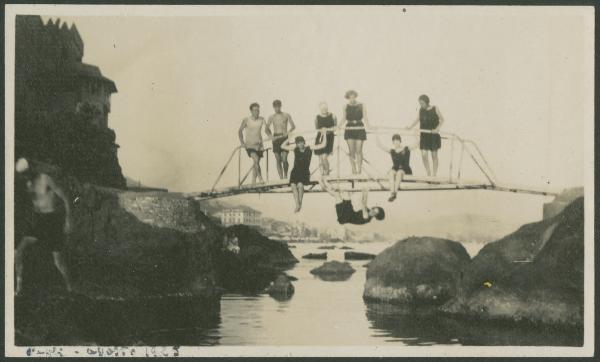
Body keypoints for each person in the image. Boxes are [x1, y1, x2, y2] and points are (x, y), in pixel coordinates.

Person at [14, 158, 74, 295]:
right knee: (20, 250)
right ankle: (19, 287)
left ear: (31, 170)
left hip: (52, 221)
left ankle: (71, 289)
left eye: (26, 173)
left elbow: (66, 197)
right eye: (22, 174)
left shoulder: (46, 179)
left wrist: (69, 218)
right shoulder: (27, 183)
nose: (25, 176)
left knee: (58, 260)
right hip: (39, 221)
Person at [281, 133, 326, 212]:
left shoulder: (309, 148)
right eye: (298, 143)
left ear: (304, 142)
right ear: (297, 144)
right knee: (293, 185)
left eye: (301, 142)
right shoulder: (295, 149)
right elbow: (282, 146)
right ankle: (297, 204)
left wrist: (324, 134)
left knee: (300, 185)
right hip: (295, 171)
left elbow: (323, 145)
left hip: (304, 172)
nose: (300, 144)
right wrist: (289, 138)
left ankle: (299, 204)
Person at [319, 178, 385, 225]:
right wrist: (362, 192)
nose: (372, 210)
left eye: (374, 212)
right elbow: (361, 203)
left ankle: (324, 185)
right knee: (345, 193)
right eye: (374, 209)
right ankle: (326, 184)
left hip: (344, 217)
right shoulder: (368, 211)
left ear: (375, 216)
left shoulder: (366, 217)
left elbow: (363, 203)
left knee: (337, 195)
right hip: (349, 211)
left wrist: (366, 192)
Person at [408, 94, 445, 177]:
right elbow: (417, 120)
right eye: (420, 103)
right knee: (424, 155)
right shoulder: (421, 110)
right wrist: (410, 127)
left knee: (434, 156)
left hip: (433, 135)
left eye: (422, 103)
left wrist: (437, 129)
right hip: (424, 135)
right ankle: (428, 173)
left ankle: (434, 175)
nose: (421, 105)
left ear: (427, 102)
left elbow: (442, 119)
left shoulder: (435, 108)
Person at [375, 133, 418, 202]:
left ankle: (395, 192)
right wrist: (376, 134)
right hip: (395, 168)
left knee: (399, 173)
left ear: (400, 141)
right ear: (393, 142)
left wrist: (415, 134)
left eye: (397, 141)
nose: (396, 143)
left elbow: (416, 145)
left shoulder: (406, 149)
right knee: (391, 173)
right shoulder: (392, 151)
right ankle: (392, 193)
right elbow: (380, 145)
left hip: (405, 168)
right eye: (394, 142)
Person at [340, 90, 371, 175]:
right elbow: (344, 118)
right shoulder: (345, 106)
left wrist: (369, 126)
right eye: (350, 97)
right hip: (350, 127)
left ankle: (359, 170)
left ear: (355, 97)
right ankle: (354, 170)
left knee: (359, 150)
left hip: (359, 127)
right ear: (348, 98)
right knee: (351, 151)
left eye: (353, 97)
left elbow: (365, 117)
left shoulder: (361, 105)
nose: (352, 99)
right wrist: (338, 126)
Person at [266, 100, 296, 179]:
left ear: (280, 106)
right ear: (273, 107)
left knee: (284, 159)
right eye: (275, 107)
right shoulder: (271, 117)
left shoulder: (286, 115)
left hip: (284, 138)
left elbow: (293, 126)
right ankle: (281, 178)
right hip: (276, 138)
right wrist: (271, 136)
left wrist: (288, 132)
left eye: (278, 106)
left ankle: (285, 175)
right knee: (278, 159)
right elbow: (266, 129)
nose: (277, 108)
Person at [239, 103, 267, 184]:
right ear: (251, 111)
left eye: (258, 110)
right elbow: (240, 130)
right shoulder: (246, 119)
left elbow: (266, 130)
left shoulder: (262, 119)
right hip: (250, 145)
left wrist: (270, 135)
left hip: (259, 145)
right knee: (256, 159)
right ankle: (260, 178)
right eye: (255, 110)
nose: (257, 112)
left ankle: (253, 181)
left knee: (256, 162)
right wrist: (242, 142)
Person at [314, 102, 337, 176]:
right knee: (320, 158)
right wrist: (322, 130)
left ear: (327, 108)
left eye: (325, 108)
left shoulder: (333, 116)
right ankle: (322, 175)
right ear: (320, 109)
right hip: (320, 137)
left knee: (324, 157)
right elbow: (317, 128)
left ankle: (327, 174)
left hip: (329, 137)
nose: (324, 109)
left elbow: (335, 128)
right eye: (322, 108)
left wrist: (327, 129)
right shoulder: (317, 117)